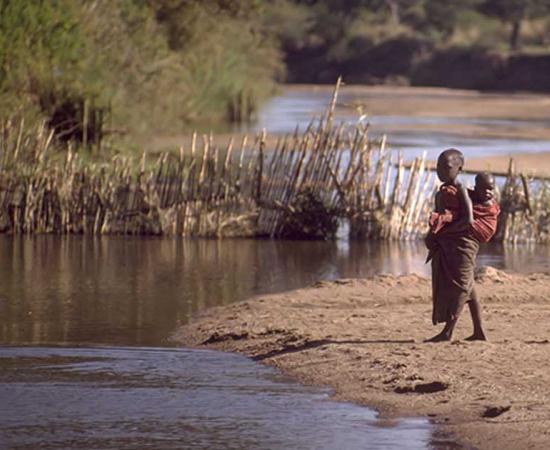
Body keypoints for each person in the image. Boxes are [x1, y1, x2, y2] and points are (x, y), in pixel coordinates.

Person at [425, 149, 500, 342]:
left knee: (462, 287)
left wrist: (444, 232)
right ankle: (479, 332)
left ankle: (447, 332)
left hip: (464, 243)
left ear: (459, 168)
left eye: (446, 167)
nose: (441, 171)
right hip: (455, 243)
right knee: (468, 286)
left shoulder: (459, 187)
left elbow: (468, 220)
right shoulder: (446, 189)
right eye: (439, 166)